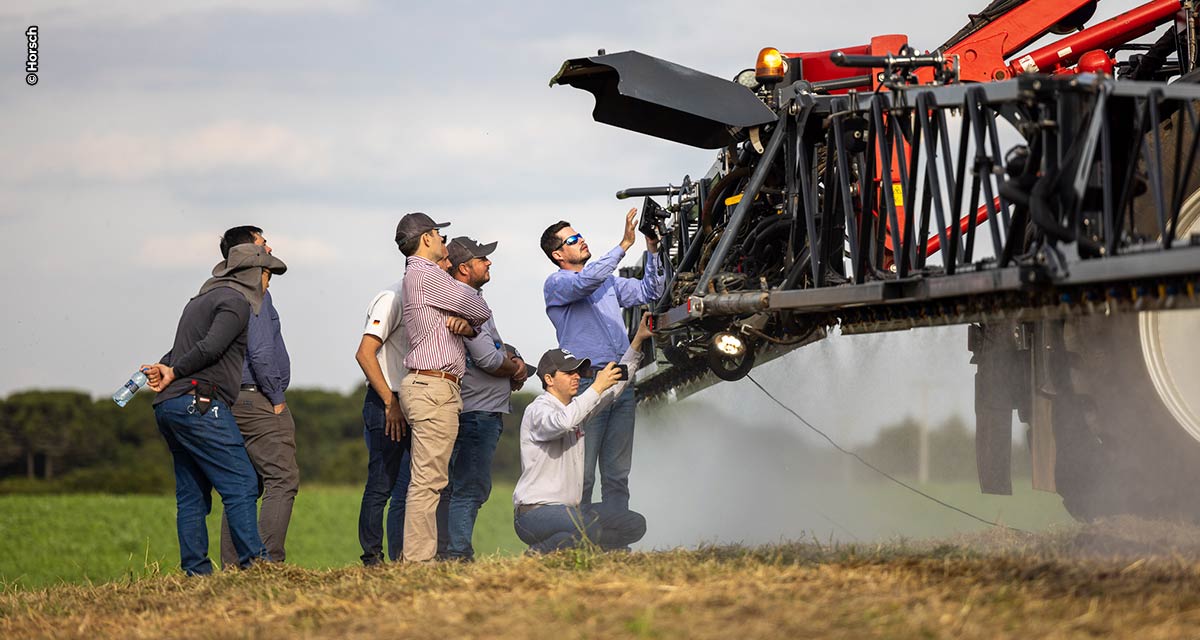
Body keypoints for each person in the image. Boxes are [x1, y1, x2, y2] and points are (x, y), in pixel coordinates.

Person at [142, 243, 288, 576]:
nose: (268, 285)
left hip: (171, 406)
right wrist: (175, 371)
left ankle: (196, 573)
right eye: (268, 276)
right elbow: (210, 347)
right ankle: (256, 565)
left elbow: (182, 349)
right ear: (255, 275)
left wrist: (167, 368)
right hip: (201, 403)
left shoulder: (200, 300)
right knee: (243, 483)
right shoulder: (236, 302)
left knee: (192, 493)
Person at [540, 209, 664, 512]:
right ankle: (579, 541)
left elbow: (651, 290)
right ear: (558, 254)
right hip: (586, 385)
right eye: (573, 239)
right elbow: (586, 282)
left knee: (617, 473)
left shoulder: (606, 282)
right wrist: (624, 245)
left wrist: (652, 251)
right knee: (582, 474)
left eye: (580, 235)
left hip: (621, 382)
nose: (581, 240)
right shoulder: (556, 283)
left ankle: (615, 542)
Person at [353, 228, 458, 565]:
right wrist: (389, 403)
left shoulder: (427, 297)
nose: (449, 263)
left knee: (418, 483)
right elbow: (365, 353)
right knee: (382, 485)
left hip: (411, 398)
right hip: (389, 400)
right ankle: (373, 559)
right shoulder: (393, 296)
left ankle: (406, 556)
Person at [396, 212, 492, 562]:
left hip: (432, 385)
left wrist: (465, 326)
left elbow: (471, 317)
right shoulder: (427, 274)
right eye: (438, 235)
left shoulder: (420, 276)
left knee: (429, 479)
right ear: (426, 239)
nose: (443, 242)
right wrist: (469, 321)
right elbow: (478, 305)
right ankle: (418, 561)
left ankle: (419, 558)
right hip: (434, 385)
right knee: (429, 481)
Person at [512, 314, 653, 554]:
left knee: (634, 524)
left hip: (571, 512)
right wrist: (596, 387)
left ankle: (563, 544)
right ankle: (540, 552)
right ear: (549, 379)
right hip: (535, 514)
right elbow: (562, 423)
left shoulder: (575, 409)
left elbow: (614, 390)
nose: (576, 376)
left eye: (578, 371)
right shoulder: (538, 409)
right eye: (569, 372)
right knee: (591, 529)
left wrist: (637, 342)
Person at [213, 226, 299, 569]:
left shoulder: (221, 292)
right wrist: (276, 398)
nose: (269, 249)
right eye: (262, 244)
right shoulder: (255, 295)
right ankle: (265, 564)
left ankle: (233, 568)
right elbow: (261, 353)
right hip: (258, 399)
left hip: (229, 400)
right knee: (283, 479)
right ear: (248, 254)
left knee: (242, 486)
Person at [440, 236, 530, 561]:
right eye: (482, 259)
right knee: (470, 487)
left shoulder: (467, 298)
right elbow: (490, 359)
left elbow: (495, 348)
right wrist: (516, 369)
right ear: (464, 268)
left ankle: (448, 552)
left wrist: (512, 358)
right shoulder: (466, 301)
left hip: (472, 407)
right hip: (478, 410)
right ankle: (457, 554)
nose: (489, 262)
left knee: (458, 486)